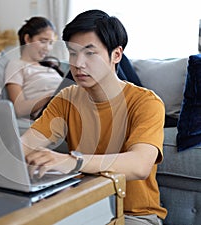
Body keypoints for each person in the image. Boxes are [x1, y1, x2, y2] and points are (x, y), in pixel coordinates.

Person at [21, 10, 167, 225]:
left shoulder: (146, 102)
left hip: (134, 216)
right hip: (83, 209)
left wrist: (72, 162)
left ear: (116, 55)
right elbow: (23, 146)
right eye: (73, 53)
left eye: (90, 53)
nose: (78, 63)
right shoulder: (67, 98)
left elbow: (139, 165)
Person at [4, 17, 63, 119]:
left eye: (50, 43)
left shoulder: (50, 67)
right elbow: (19, 109)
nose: (47, 48)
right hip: (52, 113)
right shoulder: (16, 65)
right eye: (43, 41)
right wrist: (51, 96)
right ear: (27, 39)